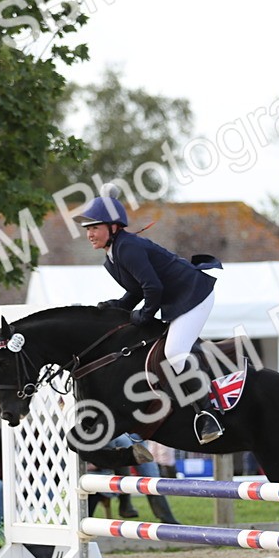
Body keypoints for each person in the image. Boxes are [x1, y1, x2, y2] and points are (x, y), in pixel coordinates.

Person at [77, 183, 225, 445]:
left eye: (95, 227)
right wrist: (116, 308)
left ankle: (208, 414)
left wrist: (143, 316)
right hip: (174, 300)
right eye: (88, 228)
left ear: (114, 227)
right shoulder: (111, 257)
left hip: (194, 295)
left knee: (175, 354)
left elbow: (152, 288)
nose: (90, 233)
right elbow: (136, 291)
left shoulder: (127, 247)